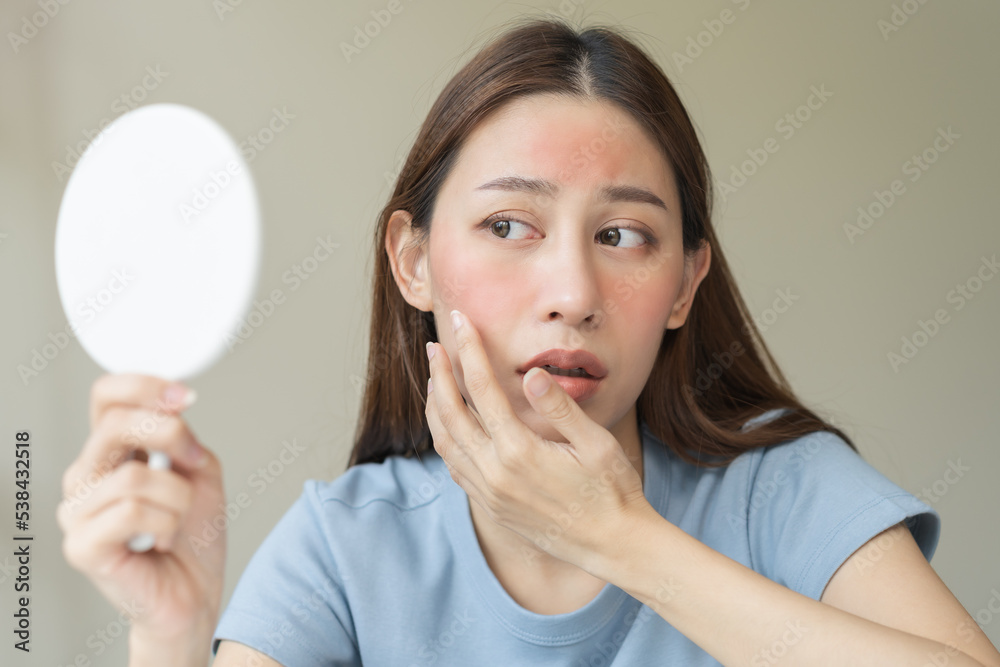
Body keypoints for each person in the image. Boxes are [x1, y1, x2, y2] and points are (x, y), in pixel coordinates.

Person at [58, 16, 1000, 667]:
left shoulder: (782, 492)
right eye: (510, 226)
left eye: (623, 236)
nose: (572, 293)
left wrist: (619, 538)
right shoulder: (344, 546)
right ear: (413, 260)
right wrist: (172, 639)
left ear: (685, 283)